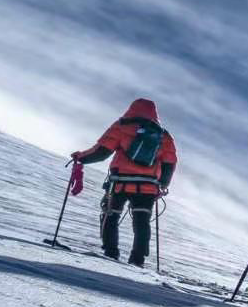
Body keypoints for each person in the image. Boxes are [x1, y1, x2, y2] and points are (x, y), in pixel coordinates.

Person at [71, 99, 177, 266]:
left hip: (120, 183)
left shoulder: (123, 126)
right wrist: (163, 185)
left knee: (111, 214)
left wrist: (81, 157)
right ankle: (138, 260)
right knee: (142, 221)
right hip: (148, 187)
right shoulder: (164, 136)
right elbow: (170, 163)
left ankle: (110, 252)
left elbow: (101, 152)